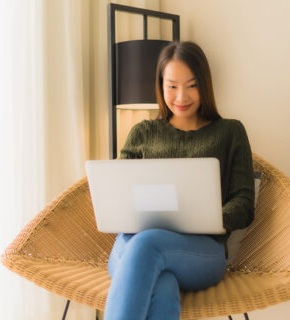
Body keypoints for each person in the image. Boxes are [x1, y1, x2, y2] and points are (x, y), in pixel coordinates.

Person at [103, 41, 255, 320]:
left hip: (201, 251)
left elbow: (245, 203)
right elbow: (122, 197)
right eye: (172, 86)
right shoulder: (141, 133)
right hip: (132, 244)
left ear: (205, 85)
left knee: (148, 246)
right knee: (161, 282)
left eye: (192, 85)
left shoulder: (230, 132)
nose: (181, 96)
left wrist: (207, 219)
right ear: (160, 86)